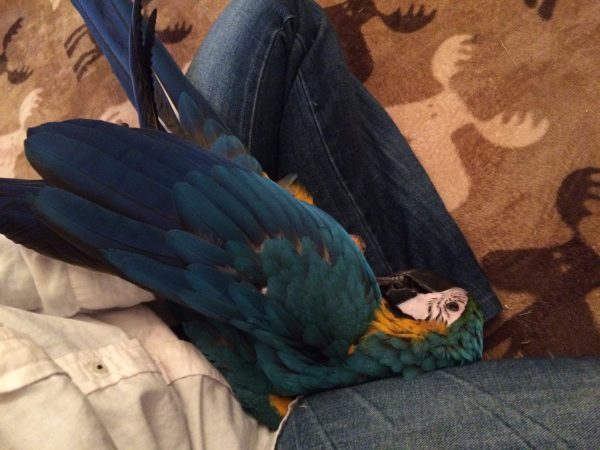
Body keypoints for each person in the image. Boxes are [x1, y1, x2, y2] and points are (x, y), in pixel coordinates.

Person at [0, 0, 597, 448]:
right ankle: (458, 355)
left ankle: (450, 362)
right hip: (204, 285)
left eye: (441, 310)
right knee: (278, 17)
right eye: (447, 303)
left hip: (225, 342)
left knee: (273, 19)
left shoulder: (342, 302)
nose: (436, 297)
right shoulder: (343, 303)